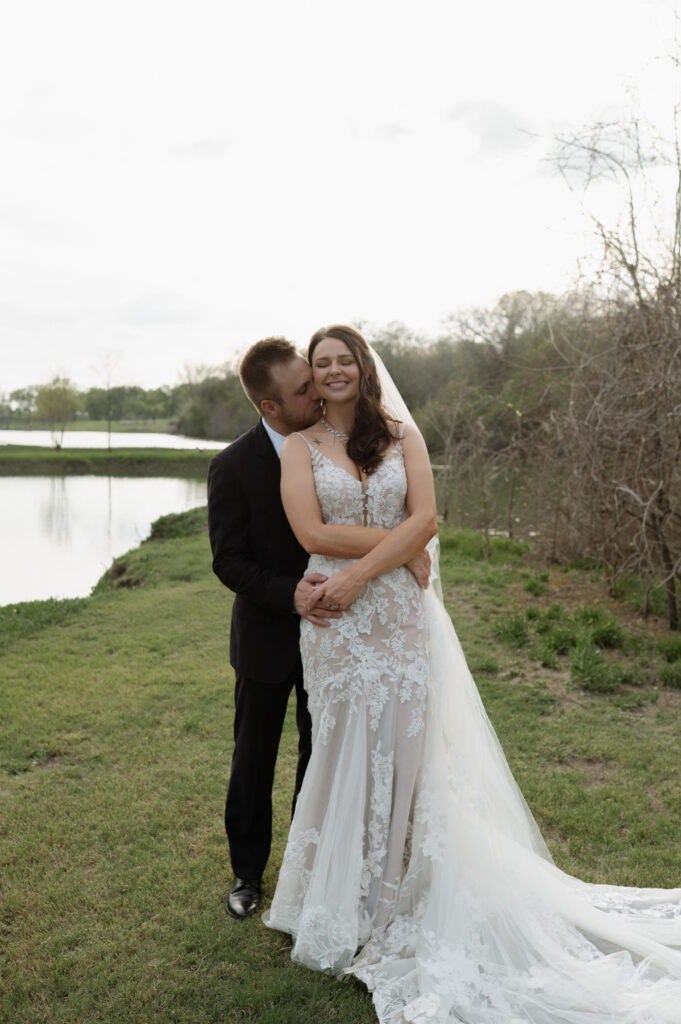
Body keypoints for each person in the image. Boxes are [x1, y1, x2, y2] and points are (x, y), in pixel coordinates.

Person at [264, 325, 681, 1024]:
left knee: (408, 753)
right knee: (340, 751)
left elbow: (426, 516)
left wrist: (374, 566)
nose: (334, 372)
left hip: (394, 617)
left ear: (364, 369)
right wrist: (400, 548)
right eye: (322, 364)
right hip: (337, 629)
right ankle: (334, 902)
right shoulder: (301, 449)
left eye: (344, 361)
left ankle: (401, 894)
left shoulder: (402, 435)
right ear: (312, 376)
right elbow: (312, 534)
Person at [207, 336, 431, 922]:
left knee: (324, 753)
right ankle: (247, 875)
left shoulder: (357, 439)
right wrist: (293, 594)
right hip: (269, 632)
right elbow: (228, 559)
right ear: (271, 407)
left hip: (346, 626)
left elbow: (407, 511)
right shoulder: (234, 464)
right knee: (253, 758)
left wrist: (404, 543)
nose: (317, 389)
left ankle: (318, 874)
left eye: (315, 377)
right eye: (303, 388)